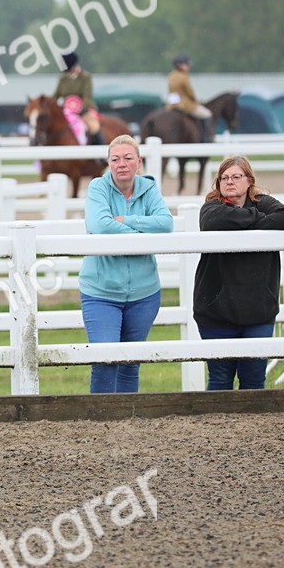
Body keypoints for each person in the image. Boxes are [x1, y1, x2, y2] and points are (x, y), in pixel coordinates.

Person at [194, 156, 284, 390]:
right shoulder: (212, 207)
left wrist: (245, 220)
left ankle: (255, 428)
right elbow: (212, 221)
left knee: (254, 380)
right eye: (224, 178)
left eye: (236, 177)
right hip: (216, 309)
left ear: (249, 180)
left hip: (258, 309)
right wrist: (260, 221)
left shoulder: (264, 202)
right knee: (219, 379)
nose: (230, 182)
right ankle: (217, 426)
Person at [80, 134, 173, 393]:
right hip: (101, 291)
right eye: (115, 159)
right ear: (108, 163)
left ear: (138, 162)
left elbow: (165, 224)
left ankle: (127, 425)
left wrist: (124, 220)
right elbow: (99, 225)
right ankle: (101, 420)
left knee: (131, 363)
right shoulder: (98, 188)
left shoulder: (149, 188)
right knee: (105, 361)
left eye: (128, 158)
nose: (122, 163)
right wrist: (142, 235)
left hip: (144, 291)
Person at [55, 52, 102, 146]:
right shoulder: (63, 79)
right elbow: (56, 95)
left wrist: (80, 109)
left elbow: (87, 96)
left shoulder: (85, 77)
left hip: (83, 110)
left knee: (94, 127)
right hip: (66, 112)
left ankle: (99, 154)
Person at [167, 54, 213, 142]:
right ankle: (206, 138)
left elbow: (171, 92)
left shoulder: (171, 76)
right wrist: (195, 101)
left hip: (172, 104)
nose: (188, 66)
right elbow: (190, 92)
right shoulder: (184, 76)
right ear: (180, 65)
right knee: (207, 114)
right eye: (186, 64)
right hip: (185, 105)